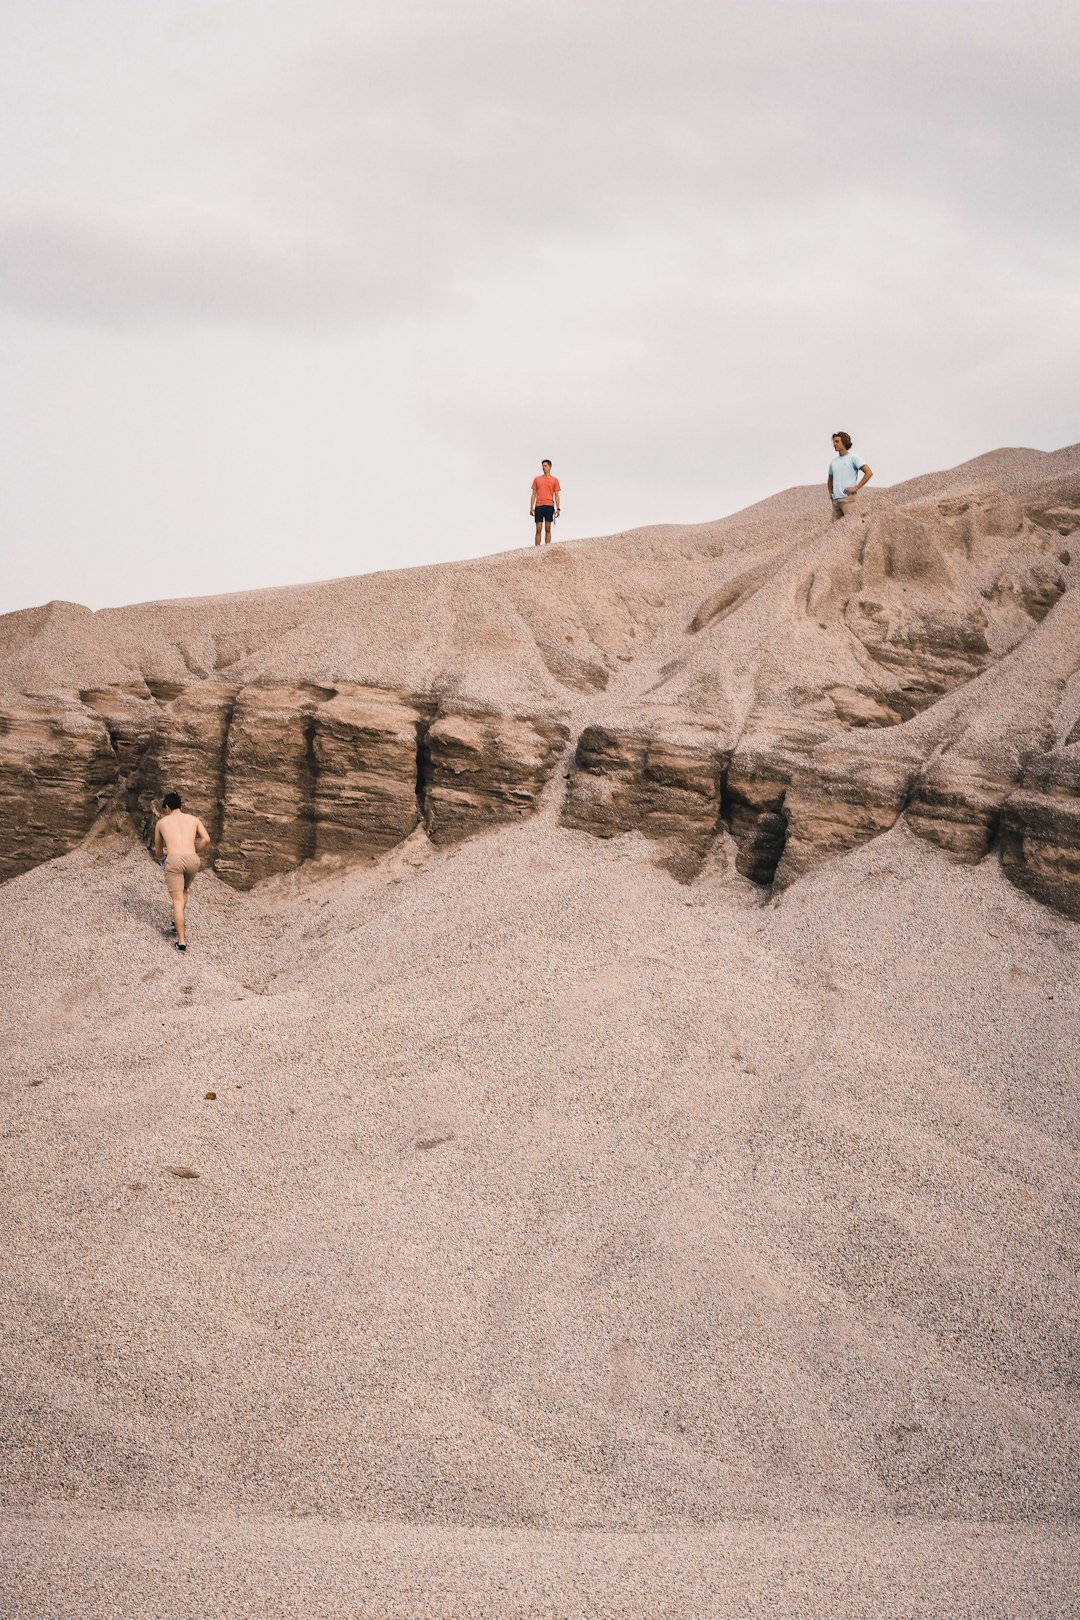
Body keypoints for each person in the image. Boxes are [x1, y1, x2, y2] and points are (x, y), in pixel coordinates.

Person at [153, 792, 211, 952]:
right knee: (184, 890)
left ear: (167, 807)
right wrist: (194, 851)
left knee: (177, 900)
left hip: (175, 859)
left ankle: (181, 941)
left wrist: (162, 860)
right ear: (180, 805)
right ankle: (176, 921)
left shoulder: (162, 822)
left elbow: (158, 848)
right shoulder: (194, 819)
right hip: (192, 859)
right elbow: (206, 839)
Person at [827, 431, 873, 520]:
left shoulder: (853, 458)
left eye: (837, 441)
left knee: (851, 525)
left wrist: (856, 488)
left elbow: (868, 473)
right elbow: (830, 480)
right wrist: (830, 493)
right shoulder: (833, 462)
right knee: (835, 531)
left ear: (844, 442)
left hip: (848, 499)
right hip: (836, 501)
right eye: (833, 442)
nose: (834, 444)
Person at [530, 458, 561, 545]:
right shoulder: (537, 479)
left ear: (550, 467)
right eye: (543, 466)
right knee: (538, 529)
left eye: (545, 466)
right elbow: (533, 494)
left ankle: (547, 547)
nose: (544, 468)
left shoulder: (555, 480)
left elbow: (557, 495)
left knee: (548, 528)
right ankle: (537, 548)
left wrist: (558, 508)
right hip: (539, 506)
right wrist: (531, 507)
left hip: (549, 505)